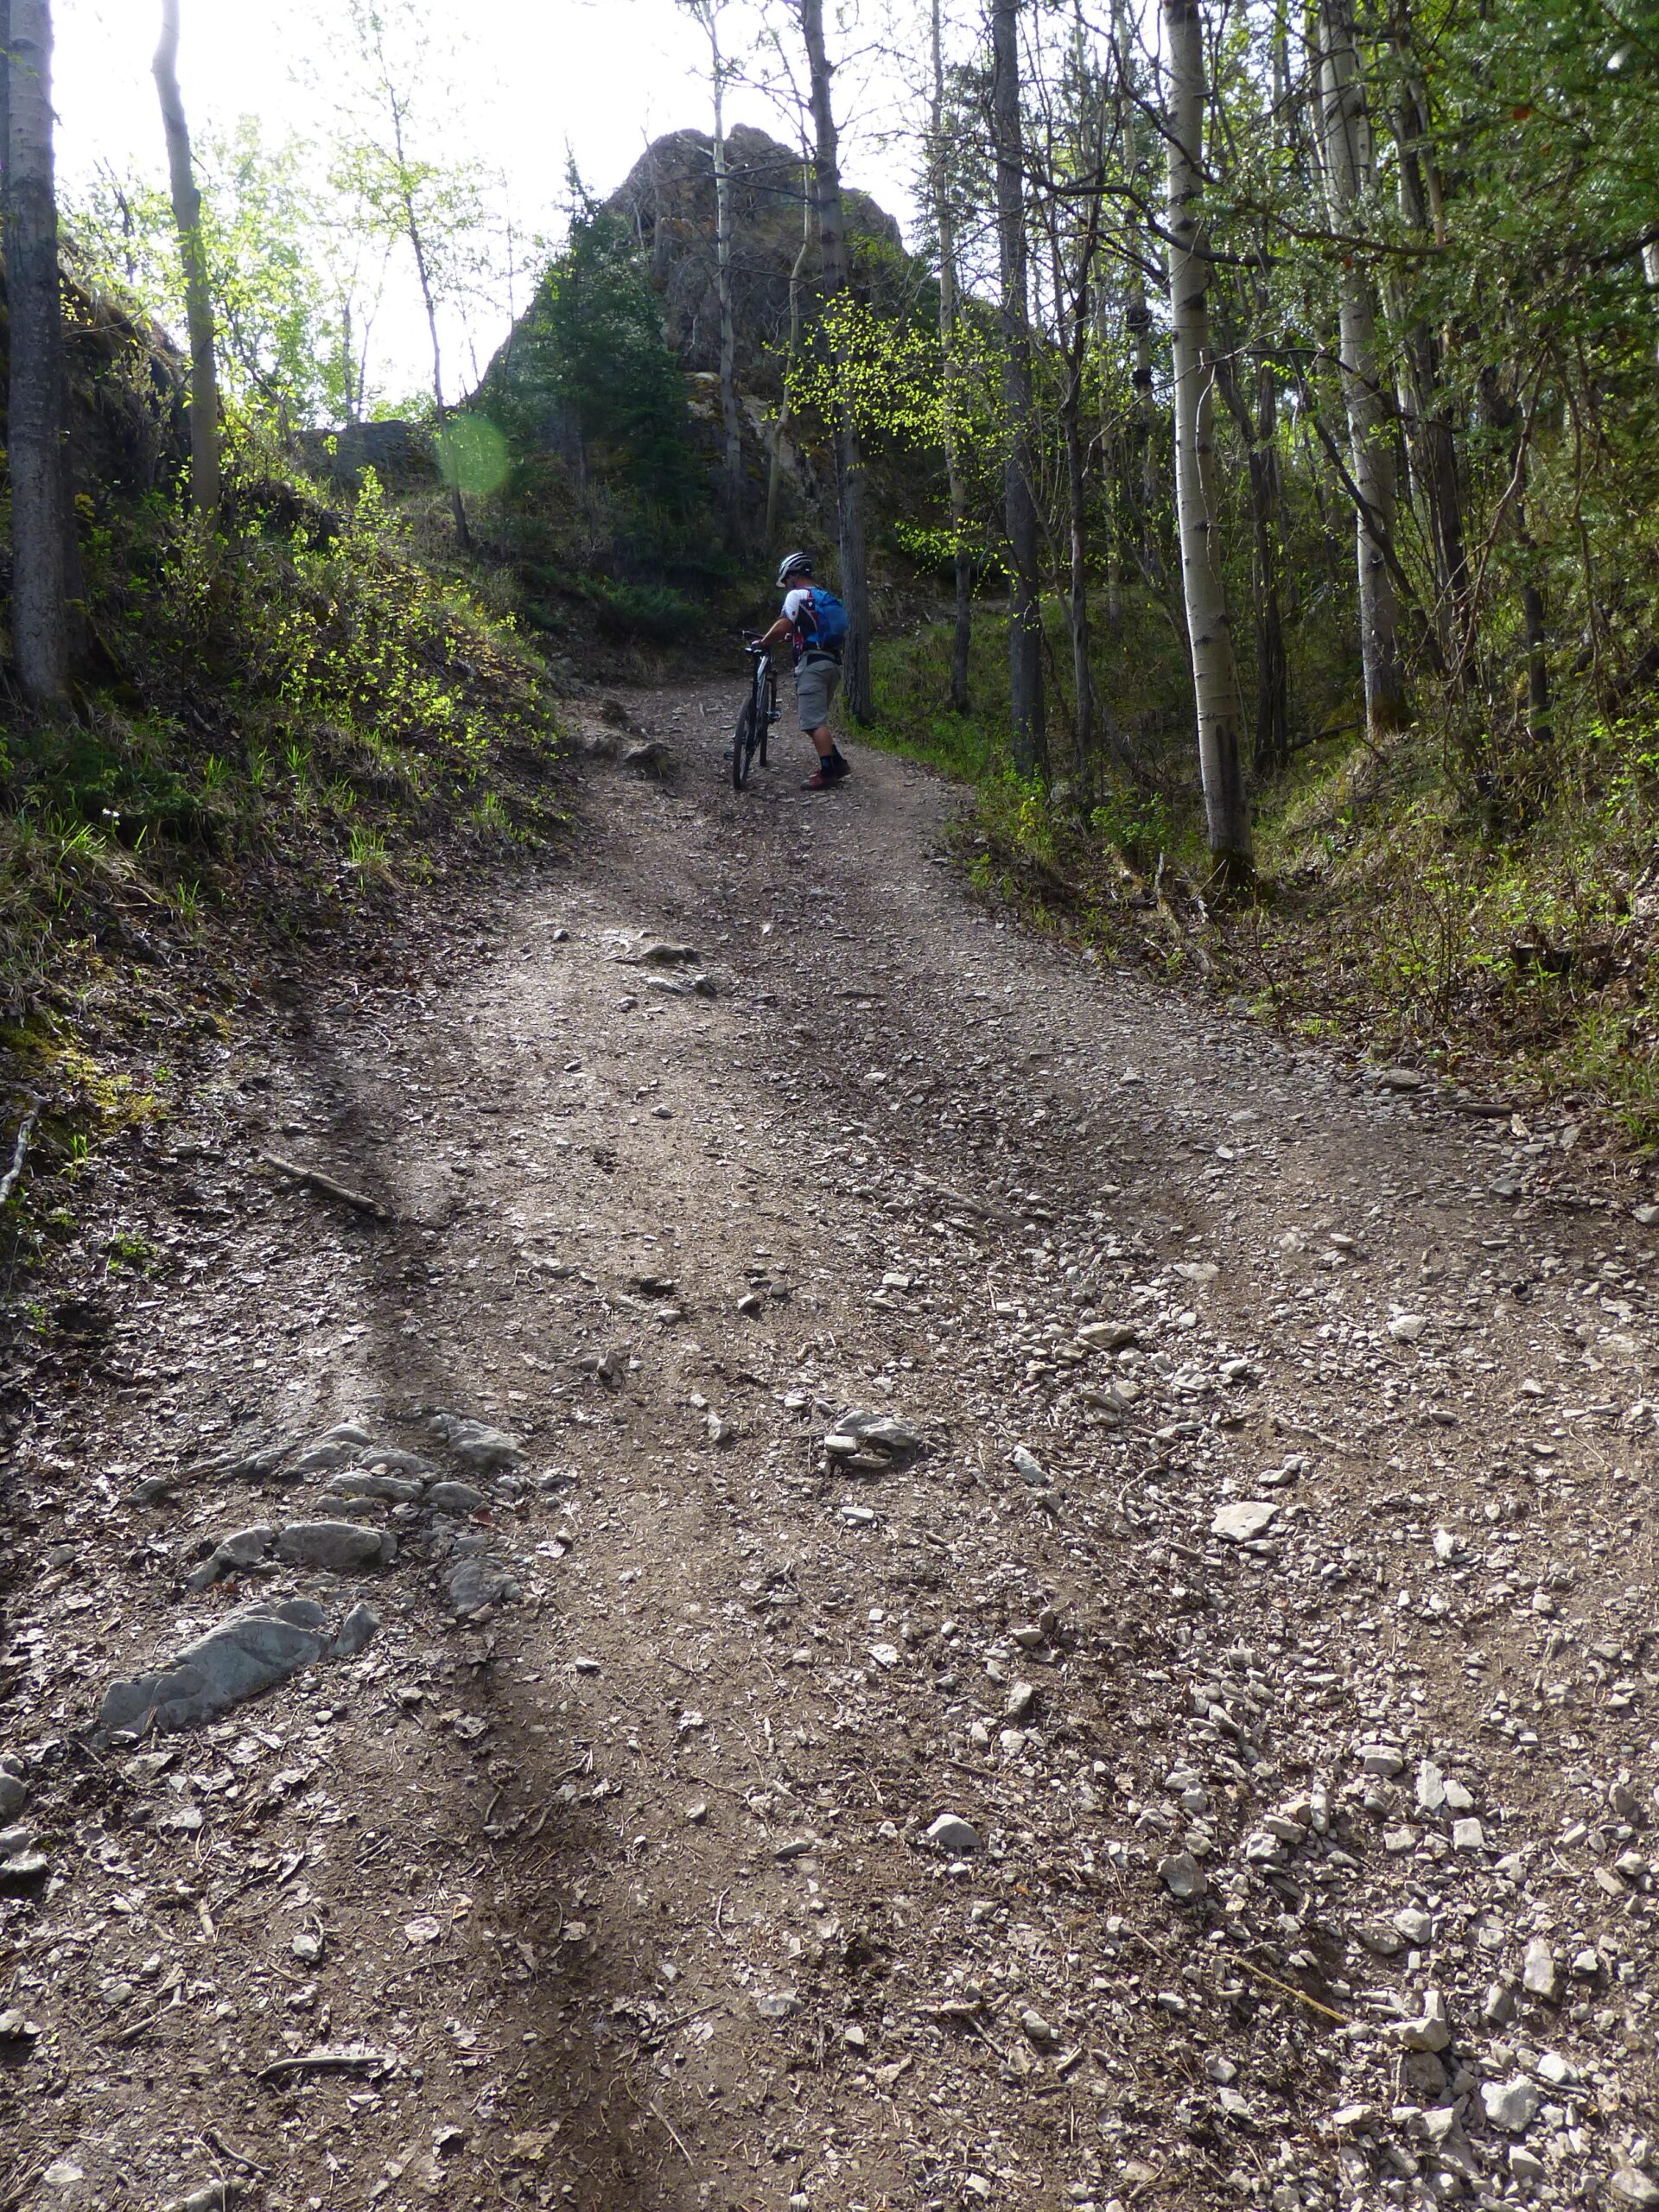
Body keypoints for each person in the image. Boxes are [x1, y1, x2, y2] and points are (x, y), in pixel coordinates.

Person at [754, 552, 852, 790]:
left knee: (812, 723)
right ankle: (837, 762)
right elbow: (808, 628)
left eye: (786, 579)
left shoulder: (797, 595)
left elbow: (784, 623)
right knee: (815, 718)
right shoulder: (823, 596)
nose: (786, 585)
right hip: (831, 664)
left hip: (813, 666)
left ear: (793, 576)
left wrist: (765, 641)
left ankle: (828, 772)